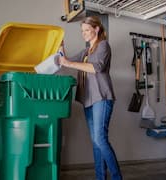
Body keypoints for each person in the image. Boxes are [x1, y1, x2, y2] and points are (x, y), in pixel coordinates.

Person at [59, 16, 122, 180]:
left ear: (97, 29)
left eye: (87, 30)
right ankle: (100, 177)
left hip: (101, 97)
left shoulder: (103, 45)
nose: (84, 34)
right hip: (88, 99)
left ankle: (117, 177)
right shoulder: (86, 51)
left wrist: (68, 63)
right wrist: (61, 48)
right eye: (82, 31)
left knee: (100, 139)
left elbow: (97, 67)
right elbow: (67, 61)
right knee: (95, 142)